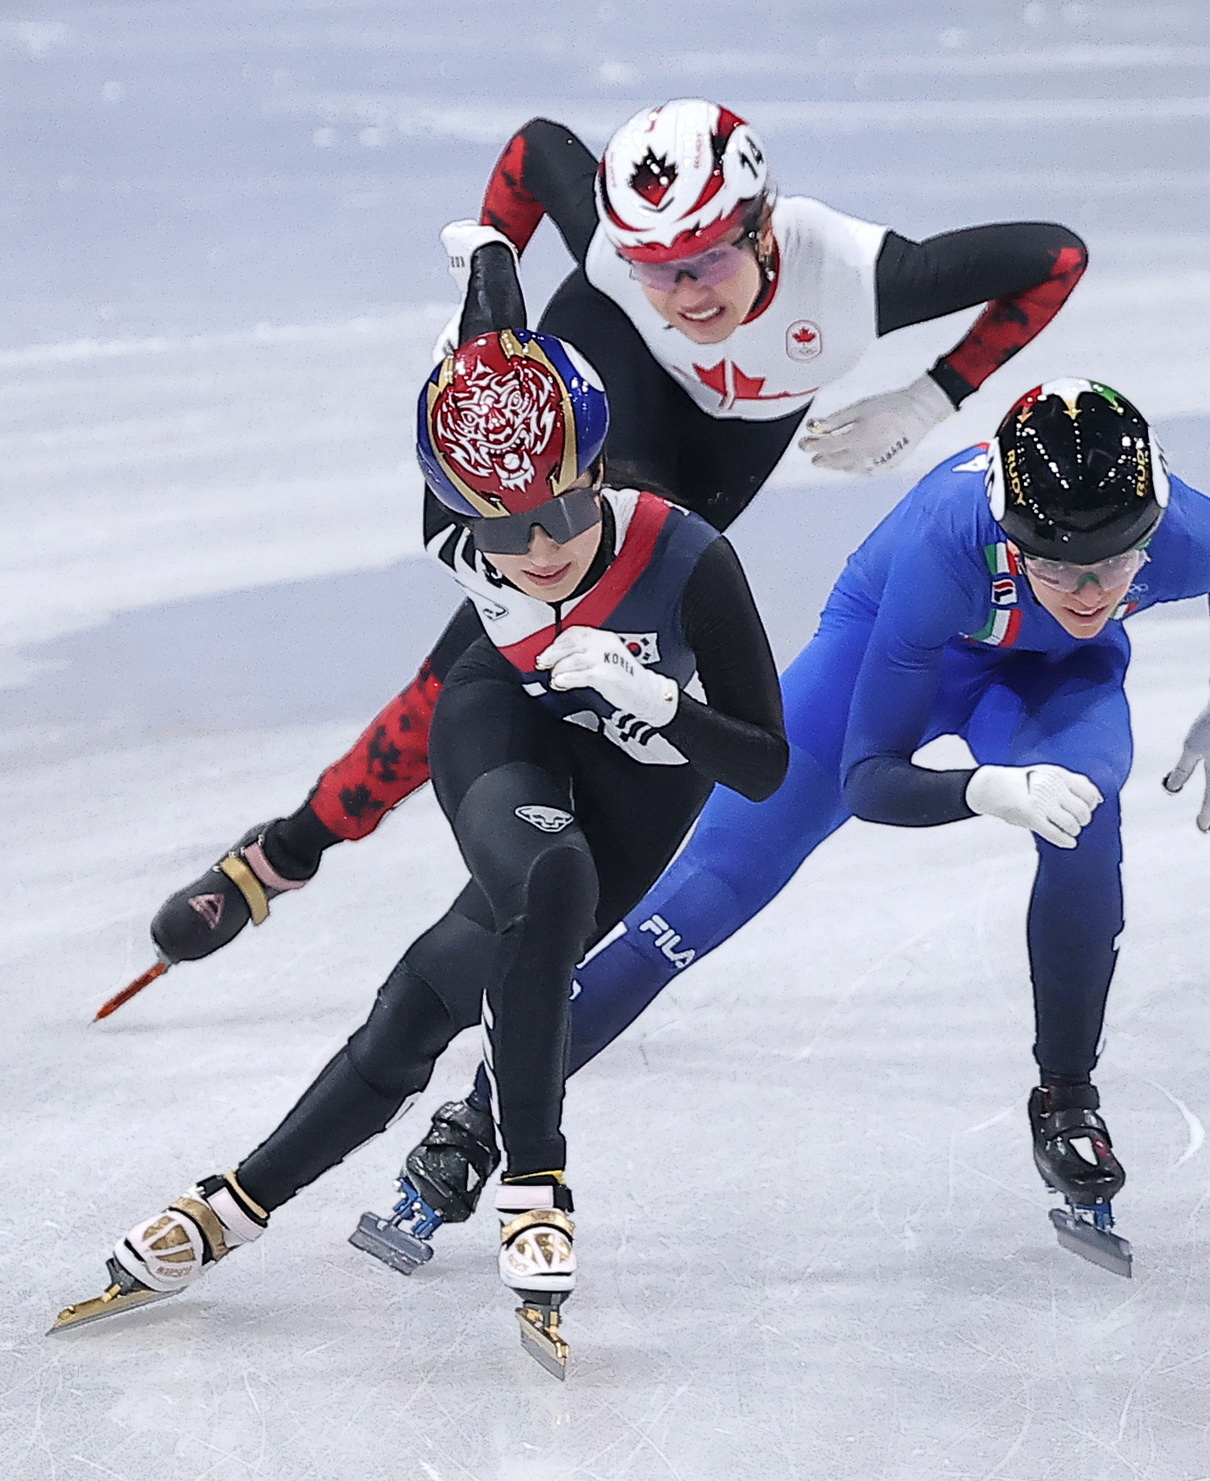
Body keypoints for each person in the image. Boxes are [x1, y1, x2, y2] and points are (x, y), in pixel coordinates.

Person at [132, 94, 1087, 993]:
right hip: (603, 390)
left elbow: (1057, 257)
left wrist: (935, 393)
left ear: (763, 226)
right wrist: (488, 309)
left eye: (707, 258)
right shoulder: (617, 265)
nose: (683, 291)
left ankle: (450, 874)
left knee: (623, 658)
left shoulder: (857, 275)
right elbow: (534, 146)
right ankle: (288, 853)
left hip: (717, 450)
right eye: (653, 263)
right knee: (496, 640)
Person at [54, 236, 788, 1376]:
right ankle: (537, 1181)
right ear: (460, 516)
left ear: (596, 469)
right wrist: (284, 851)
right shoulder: (460, 517)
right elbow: (482, 364)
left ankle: (237, 1201)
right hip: (501, 713)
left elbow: (764, 766)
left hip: (650, 763)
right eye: (502, 531)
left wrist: (662, 702)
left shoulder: (686, 557)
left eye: (558, 513)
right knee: (550, 879)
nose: (537, 548)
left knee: (445, 980)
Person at [381, 377, 1210, 1278]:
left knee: (1087, 820)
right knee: (698, 905)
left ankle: (1068, 1098)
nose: (1086, 591)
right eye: (1053, 566)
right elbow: (870, 777)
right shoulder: (943, 553)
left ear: (1152, 533)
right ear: (1009, 536)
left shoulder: (1185, 537)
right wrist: (981, 789)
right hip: (885, 651)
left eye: (1116, 567)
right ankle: (483, 1115)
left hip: (1052, 679)